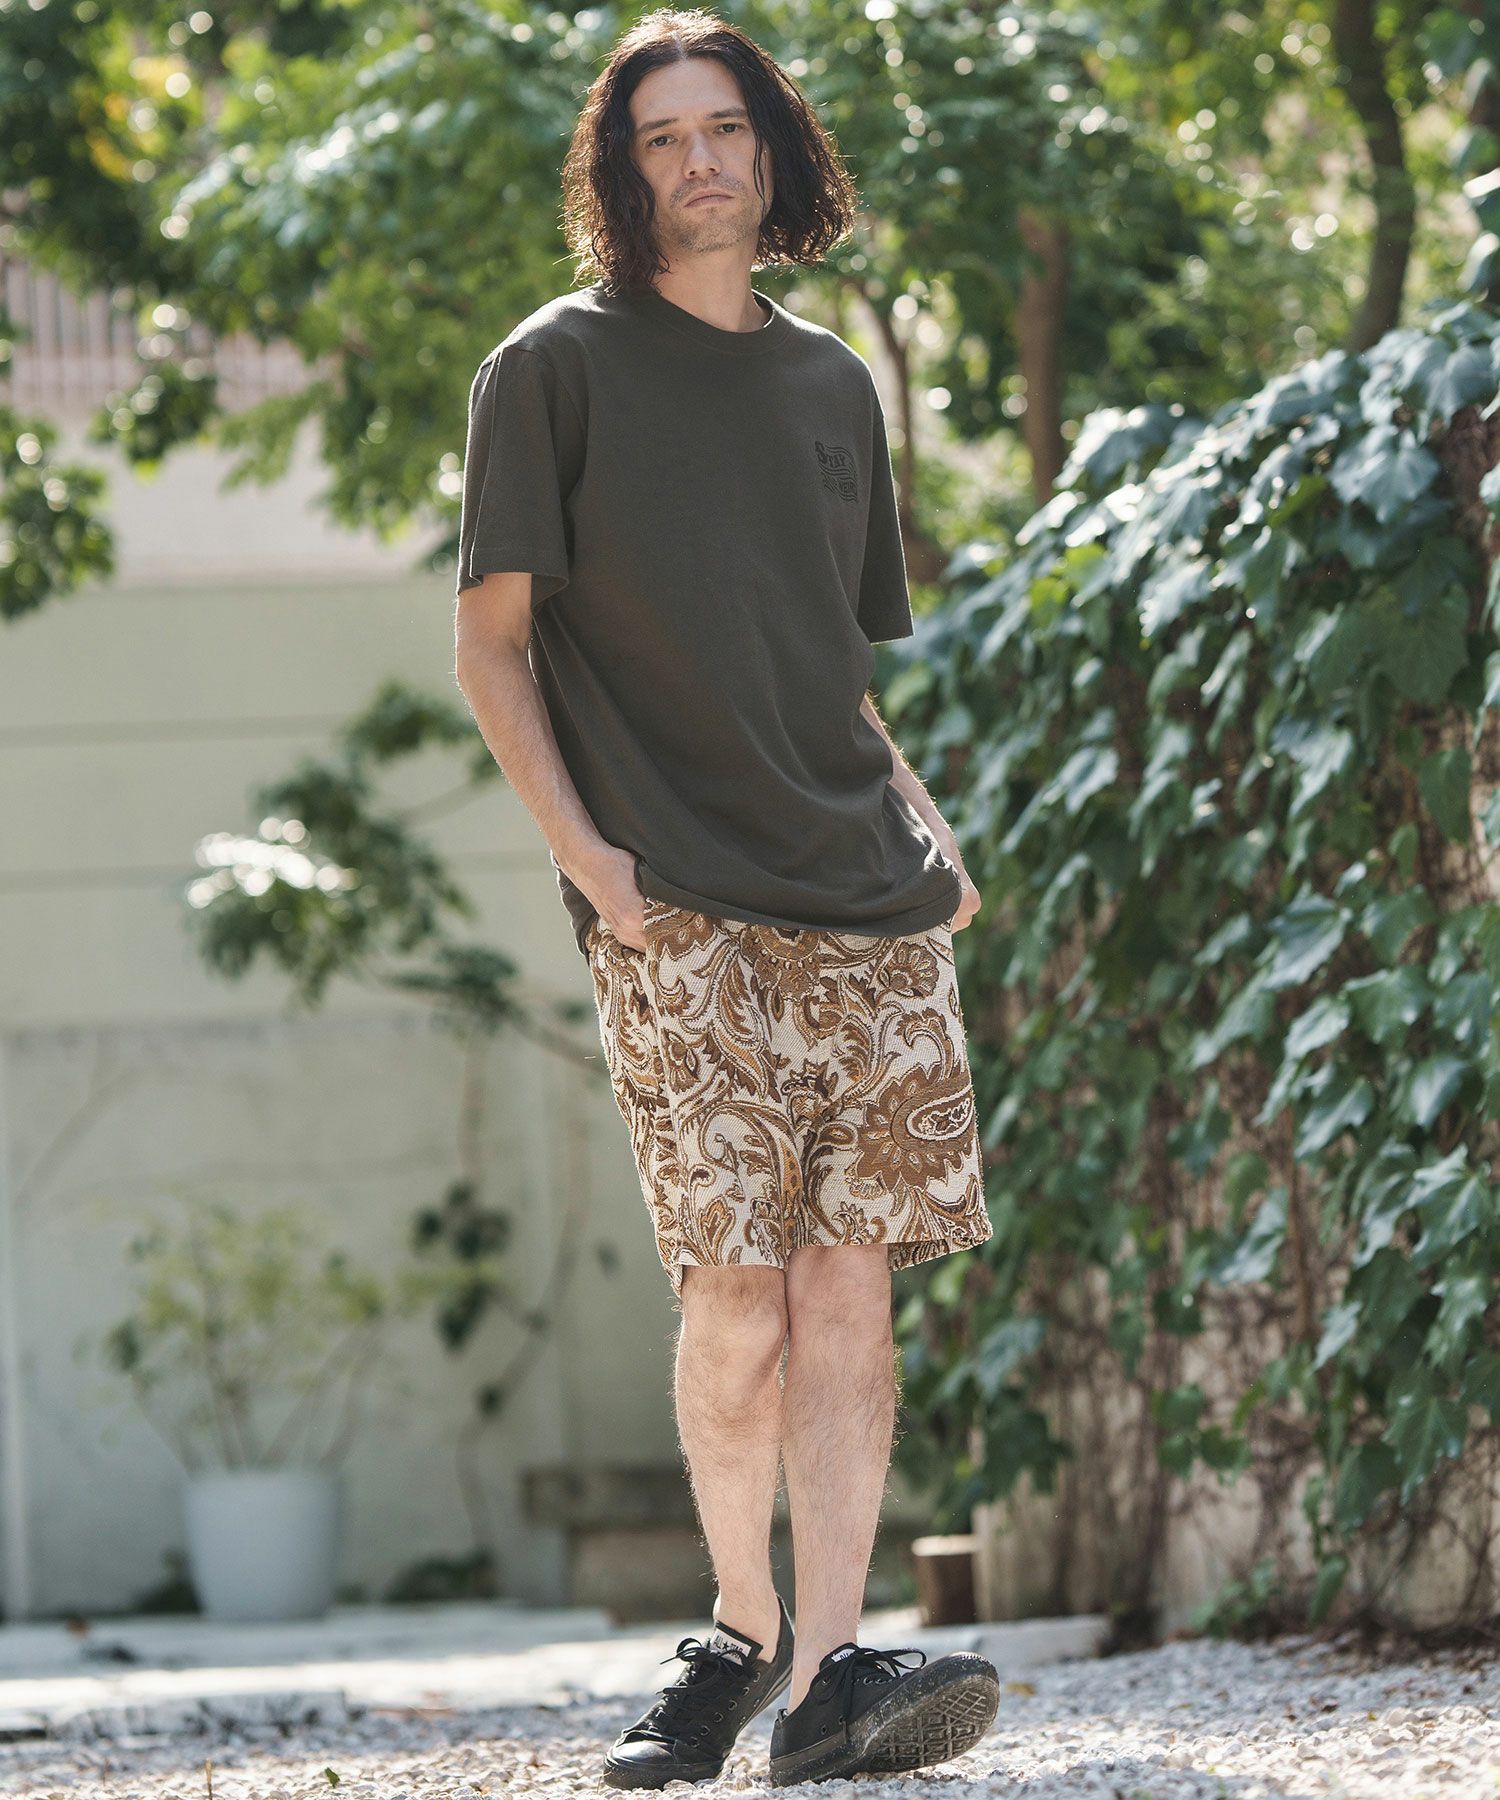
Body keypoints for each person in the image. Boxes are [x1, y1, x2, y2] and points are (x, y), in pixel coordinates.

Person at [452, 6, 999, 1787]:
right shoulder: (552, 369)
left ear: (774, 152)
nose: (699, 160)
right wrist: (594, 868)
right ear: (623, 172)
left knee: (850, 1290)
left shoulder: (833, 386)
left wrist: (924, 827)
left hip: (864, 897)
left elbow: (830, 669)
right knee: (738, 1290)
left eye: (725, 128)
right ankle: (739, 1632)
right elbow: (492, 647)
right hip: (674, 897)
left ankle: (833, 1672)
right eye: (662, 136)